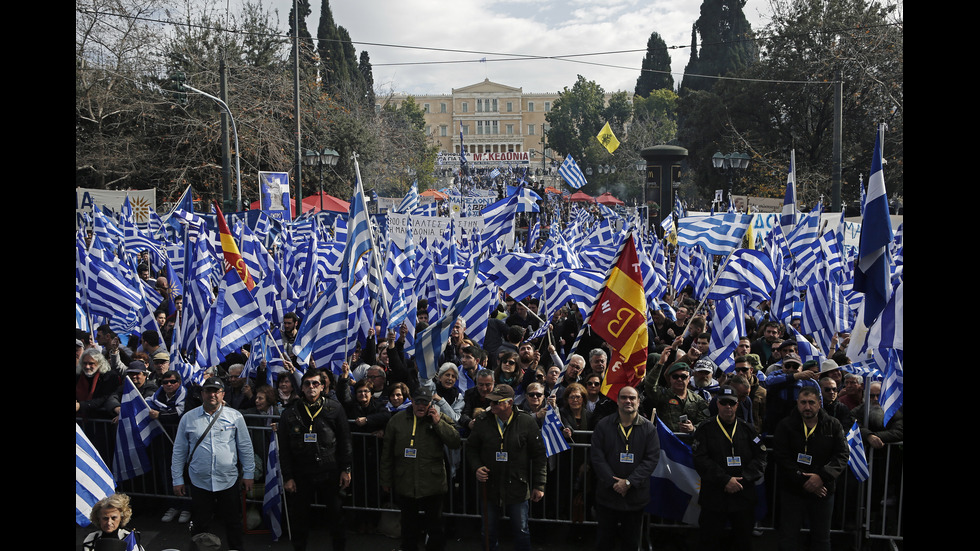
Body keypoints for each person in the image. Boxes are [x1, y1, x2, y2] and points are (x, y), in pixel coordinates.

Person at [171, 377, 255, 551]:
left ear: (223, 394)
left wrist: (248, 474)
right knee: (201, 524)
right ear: (202, 394)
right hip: (199, 481)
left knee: (233, 522)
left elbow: (245, 447)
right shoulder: (188, 418)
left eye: (216, 391)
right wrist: (177, 478)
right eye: (208, 391)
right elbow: (179, 451)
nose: (212, 394)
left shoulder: (235, 416)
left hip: (228, 480)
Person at [277, 369, 352, 551]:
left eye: (315, 383)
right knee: (300, 518)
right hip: (301, 472)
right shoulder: (290, 413)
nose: (311, 387)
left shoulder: (334, 408)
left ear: (322, 387)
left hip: (330, 470)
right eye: (307, 384)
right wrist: (288, 477)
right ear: (301, 388)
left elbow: (345, 440)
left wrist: (346, 469)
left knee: (336, 516)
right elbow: (284, 449)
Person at [380, 387, 462, 551]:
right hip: (406, 481)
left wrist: (438, 423)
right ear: (412, 401)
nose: (421, 406)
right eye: (418, 402)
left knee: (435, 526)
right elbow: (387, 453)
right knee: (408, 526)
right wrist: (386, 480)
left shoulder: (438, 418)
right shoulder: (397, 420)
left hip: (433, 483)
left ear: (430, 403)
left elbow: (455, 441)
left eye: (425, 402)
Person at [466, 384, 547, 551]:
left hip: (517, 484)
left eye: (497, 402)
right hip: (490, 485)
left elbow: (539, 455)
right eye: (491, 402)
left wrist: (539, 485)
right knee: (488, 531)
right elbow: (471, 448)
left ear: (509, 403)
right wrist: (477, 467)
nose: (492, 405)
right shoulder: (483, 420)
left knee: (521, 531)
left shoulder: (526, 421)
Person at [773, 386, 848, 551]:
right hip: (792, 490)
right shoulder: (785, 425)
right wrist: (805, 480)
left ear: (819, 403)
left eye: (811, 403)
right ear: (797, 404)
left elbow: (842, 455)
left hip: (823, 490)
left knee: (821, 539)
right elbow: (781, 456)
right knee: (788, 538)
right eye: (803, 403)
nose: (807, 407)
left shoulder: (833, 425)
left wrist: (821, 477)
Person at [692, 387, 767, 551]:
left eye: (731, 403)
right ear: (717, 404)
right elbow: (700, 459)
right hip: (714, 495)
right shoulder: (705, 429)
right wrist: (725, 480)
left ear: (737, 404)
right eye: (724, 402)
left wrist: (744, 478)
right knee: (709, 541)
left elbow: (761, 457)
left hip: (743, 494)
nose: (728, 406)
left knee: (742, 541)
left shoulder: (748, 429)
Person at [590, 385, 660, 551]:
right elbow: (597, 457)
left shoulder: (649, 429)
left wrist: (629, 483)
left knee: (631, 541)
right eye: (624, 397)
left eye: (632, 398)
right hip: (608, 495)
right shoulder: (603, 425)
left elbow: (651, 459)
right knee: (604, 540)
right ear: (617, 400)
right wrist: (613, 482)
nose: (628, 401)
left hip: (635, 497)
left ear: (638, 401)